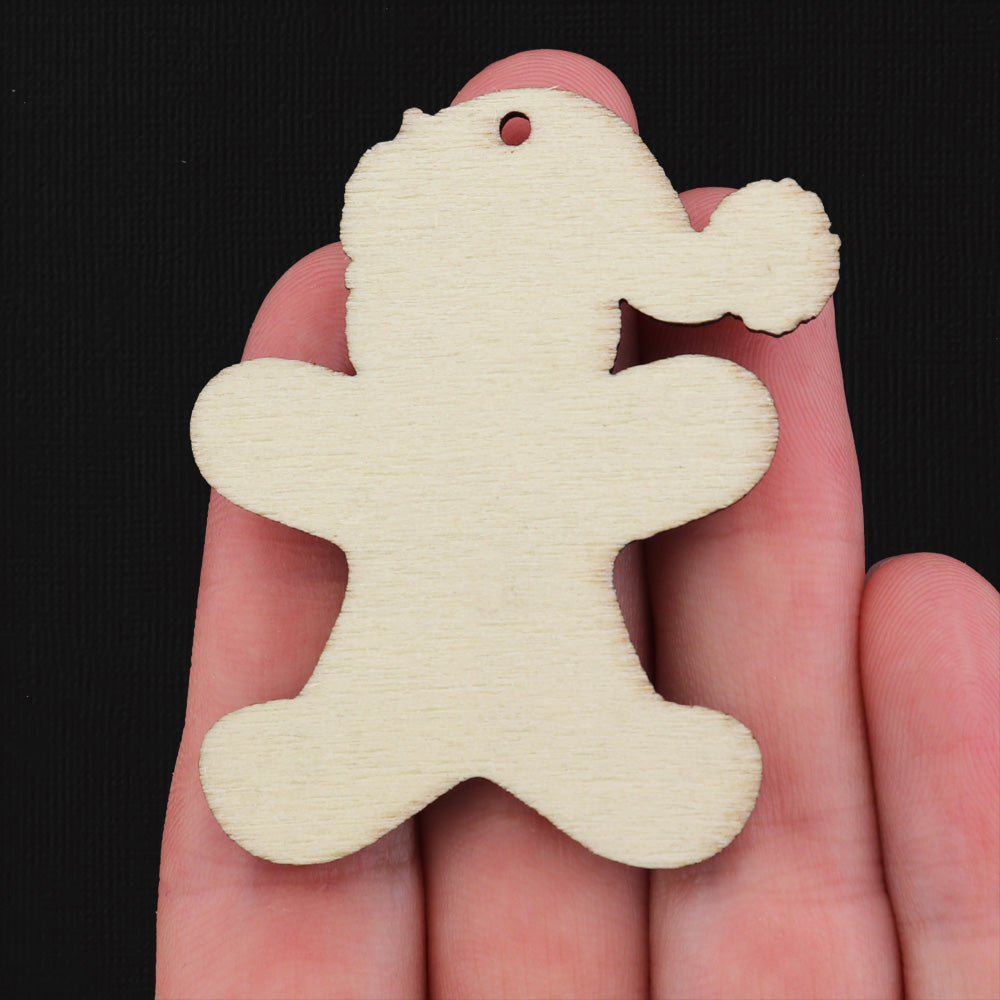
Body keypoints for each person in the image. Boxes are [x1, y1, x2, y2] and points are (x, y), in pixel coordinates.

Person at [155, 51, 998, 999]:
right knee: (373, 740)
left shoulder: (564, 435)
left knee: (596, 748)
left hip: (556, 689)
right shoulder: (420, 434)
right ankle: (357, 769)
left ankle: (589, 771)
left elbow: (254, 428)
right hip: (397, 690)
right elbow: (258, 432)